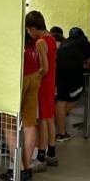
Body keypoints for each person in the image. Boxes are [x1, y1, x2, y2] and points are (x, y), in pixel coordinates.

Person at [0, 32, 41, 181]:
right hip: (32, 73)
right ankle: (26, 168)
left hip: (16, 75)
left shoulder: (6, 34)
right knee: (29, 123)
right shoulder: (27, 39)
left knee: (9, 124)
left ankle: (20, 170)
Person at [26, 11, 58, 169]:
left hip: (43, 83)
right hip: (51, 82)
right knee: (49, 117)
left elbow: (44, 68)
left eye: (28, 30)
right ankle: (51, 152)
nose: (28, 33)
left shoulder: (40, 42)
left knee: (43, 120)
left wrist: (34, 75)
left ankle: (41, 157)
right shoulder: (51, 38)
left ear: (33, 28)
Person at [54, 27, 90, 142]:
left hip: (58, 70)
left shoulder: (65, 42)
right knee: (77, 95)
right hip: (73, 72)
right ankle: (59, 118)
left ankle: (60, 133)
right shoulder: (85, 42)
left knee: (61, 100)